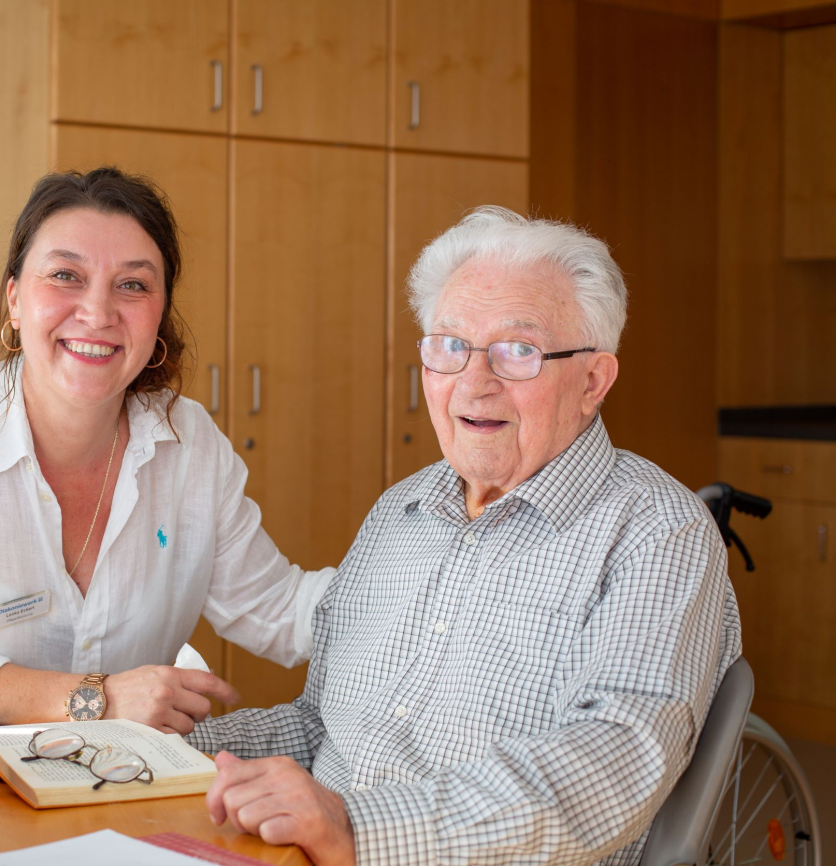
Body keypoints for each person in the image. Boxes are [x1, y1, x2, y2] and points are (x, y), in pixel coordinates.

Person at [191, 207, 740, 866]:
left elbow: (609, 766)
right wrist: (163, 753)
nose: (473, 384)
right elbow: (321, 728)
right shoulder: (399, 512)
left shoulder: (655, 531)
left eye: (519, 351)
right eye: (450, 345)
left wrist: (355, 827)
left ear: (592, 380)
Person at [0, 167, 334, 733]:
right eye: (65, 275)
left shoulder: (190, 442)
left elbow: (279, 611)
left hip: (114, 779)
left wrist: (435, 577)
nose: (98, 313)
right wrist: (101, 698)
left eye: (133, 284)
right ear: (14, 300)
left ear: (160, 315)